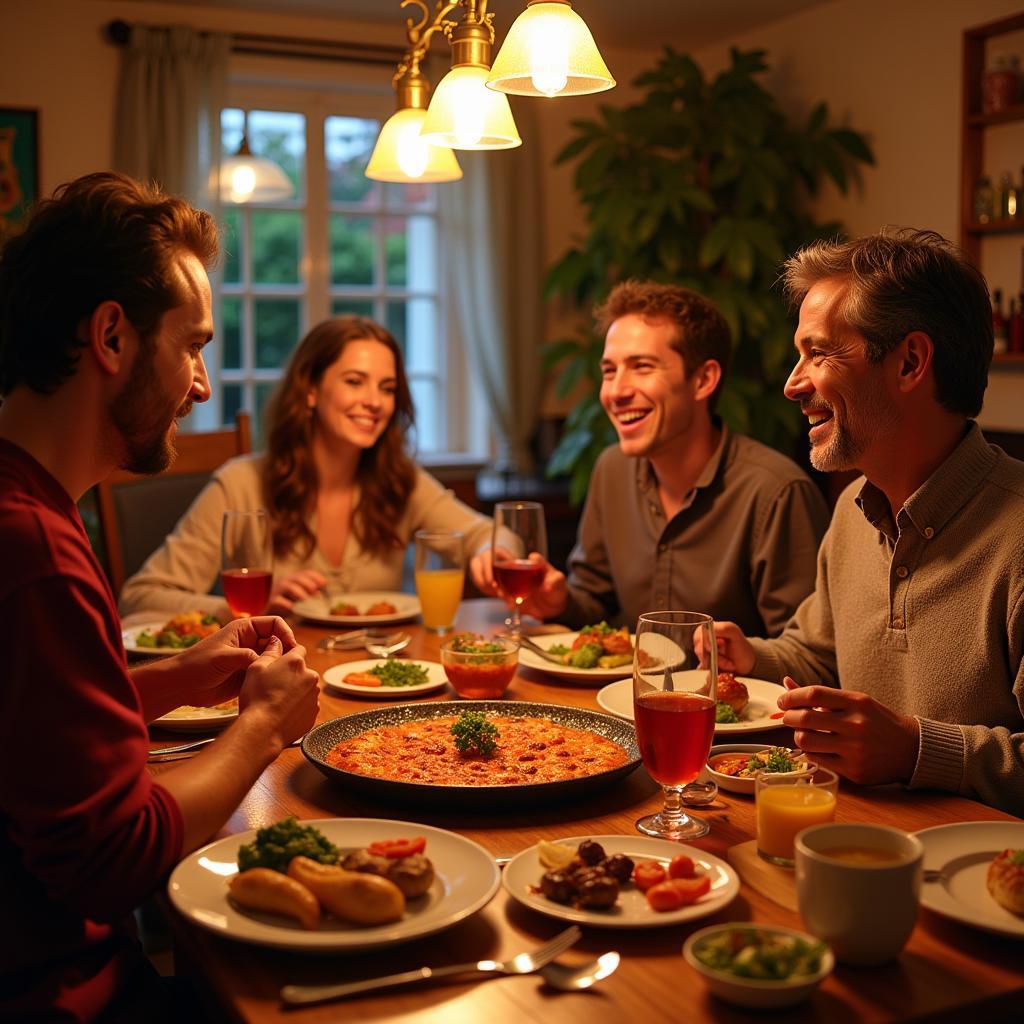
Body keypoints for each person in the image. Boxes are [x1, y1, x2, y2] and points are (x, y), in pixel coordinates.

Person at [0, 172, 320, 1021]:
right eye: (194, 345)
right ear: (112, 335)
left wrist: (174, 676)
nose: (204, 385)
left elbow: (35, 738)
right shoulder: (32, 547)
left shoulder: (28, 503)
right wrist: (261, 728)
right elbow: (114, 857)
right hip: (68, 996)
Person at [708, 229, 1024, 816]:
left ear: (909, 362)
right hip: (850, 842)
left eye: (820, 353)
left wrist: (916, 750)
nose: (792, 383)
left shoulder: (1017, 535)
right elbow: (819, 656)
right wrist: (748, 656)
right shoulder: (856, 507)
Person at [476, 280, 830, 636]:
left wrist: (742, 659)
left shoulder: (776, 492)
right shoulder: (611, 469)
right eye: (609, 371)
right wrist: (561, 603)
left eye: (642, 367)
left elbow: (806, 655)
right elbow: (595, 602)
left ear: (703, 380)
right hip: (620, 692)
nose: (616, 391)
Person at [118, 315, 493, 619]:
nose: (374, 401)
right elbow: (141, 598)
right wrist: (243, 610)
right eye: (354, 382)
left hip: (376, 685)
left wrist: (498, 557)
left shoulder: (400, 480)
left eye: (388, 388)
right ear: (310, 390)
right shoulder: (240, 484)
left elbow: (486, 537)